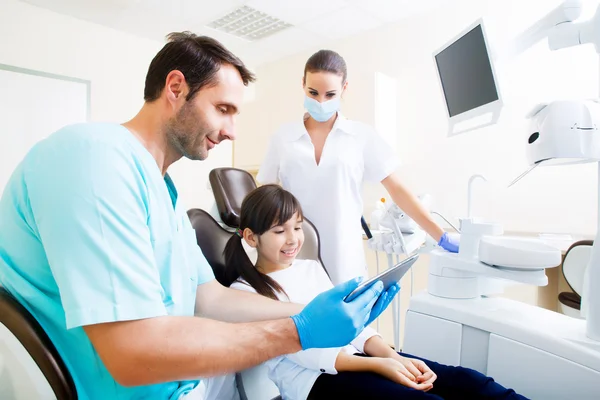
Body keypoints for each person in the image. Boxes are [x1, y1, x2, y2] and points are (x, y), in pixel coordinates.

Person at [0, 32, 398, 400]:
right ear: (176, 89)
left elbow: (208, 298)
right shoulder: (93, 160)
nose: (232, 131)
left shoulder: (163, 192)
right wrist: (300, 332)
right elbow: (133, 352)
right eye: (223, 109)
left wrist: (308, 309)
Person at [220, 184, 527, 400]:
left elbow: (350, 322)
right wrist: (382, 364)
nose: (293, 239)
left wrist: (394, 356)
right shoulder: (245, 295)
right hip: (316, 381)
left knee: (468, 382)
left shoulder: (309, 268)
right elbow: (306, 352)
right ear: (251, 237)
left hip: (358, 357)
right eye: (279, 231)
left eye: (297, 227)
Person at [257, 49, 460, 285]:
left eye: (330, 94)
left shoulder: (360, 136)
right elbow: (266, 200)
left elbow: (398, 191)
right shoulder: (283, 137)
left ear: (344, 89)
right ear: (302, 84)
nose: (321, 101)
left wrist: (441, 236)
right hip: (293, 255)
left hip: (345, 259)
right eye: (313, 93)